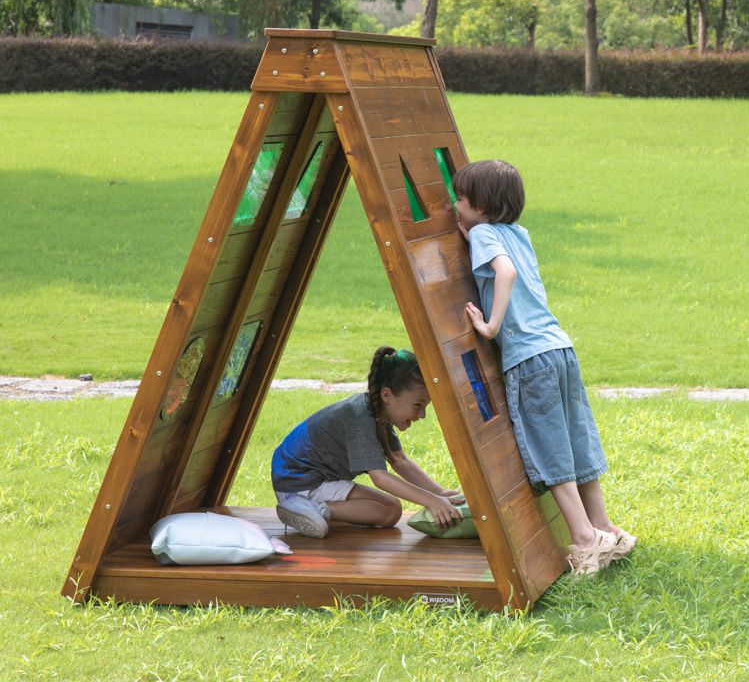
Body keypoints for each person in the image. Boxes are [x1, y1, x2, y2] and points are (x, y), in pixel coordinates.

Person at [452, 159, 636, 576]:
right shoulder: (518, 233)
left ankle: (586, 541)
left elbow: (506, 272)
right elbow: (516, 264)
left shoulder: (482, 233)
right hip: (559, 347)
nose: (455, 205)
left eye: (460, 199)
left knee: (549, 448)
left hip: (528, 357)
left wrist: (490, 324)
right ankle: (605, 527)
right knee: (575, 439)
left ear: (481, 206)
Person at [271, 346, 465, 538]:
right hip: (300, 480)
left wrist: (440, 493)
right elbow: (379, 477)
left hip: (306, 478)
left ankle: (311, 508)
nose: (421, 415)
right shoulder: (359, 416)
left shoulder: (378, 413)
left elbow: (400, 460)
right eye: (417, 405)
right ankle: (309, 508)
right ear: (387, 395)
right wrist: (431, 500)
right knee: (390, 510)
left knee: (391, 510)